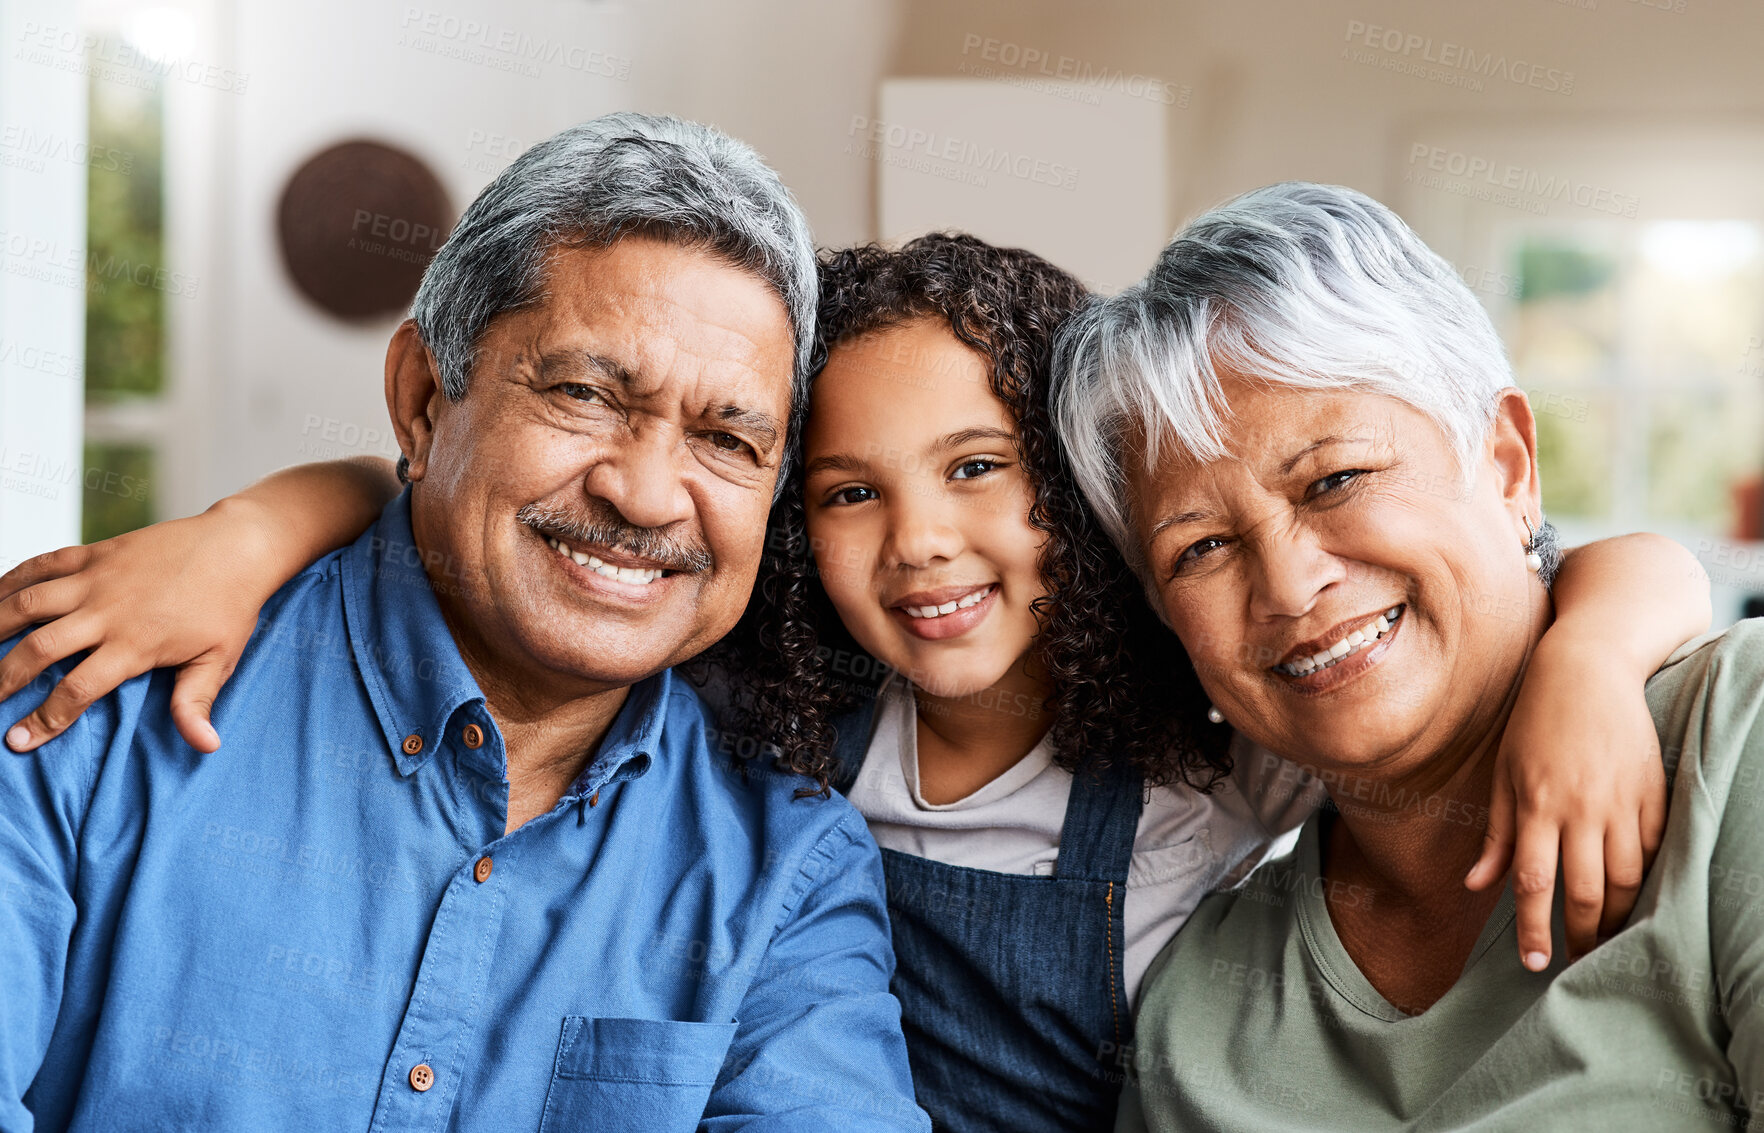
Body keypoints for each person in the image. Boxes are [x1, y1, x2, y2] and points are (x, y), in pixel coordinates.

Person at [1, 225, 1707, 1131]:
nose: (920, 547)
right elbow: (510, 517)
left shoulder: (1220, 742)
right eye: (841, 490)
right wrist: (244, 524)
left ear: (1083, 505)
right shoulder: (771, 721)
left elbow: (1587, 565)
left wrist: (1589, 651)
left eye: (982, 470)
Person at [0, 113, 928, 1132]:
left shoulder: (786, 877)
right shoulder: (89, 696)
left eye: (726, 439)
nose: (650, 494)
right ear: (420, 397)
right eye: (583, 393)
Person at [1049, 180, 1756, 1130]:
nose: (1291, 586)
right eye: (1201, 548)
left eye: (1336, 478)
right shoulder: (1193, 1014)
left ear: (1507, 465)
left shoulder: (1734, 742)